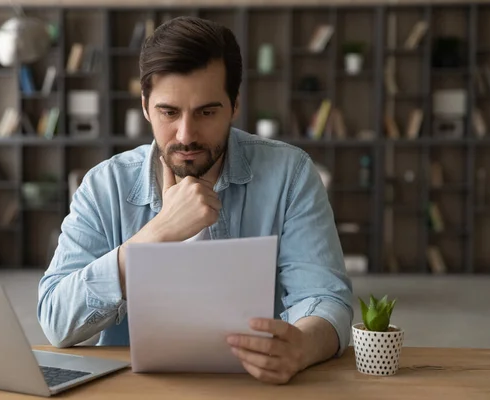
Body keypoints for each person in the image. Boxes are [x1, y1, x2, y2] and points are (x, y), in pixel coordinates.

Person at [38, 16, 353, 385]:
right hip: (136, 389)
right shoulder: (104, 184)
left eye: (206, 112)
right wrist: (155, 235)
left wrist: (301, 346)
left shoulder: (291, 173)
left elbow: (327, 300)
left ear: (234, 105)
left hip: (257, 386)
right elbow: (57, 323)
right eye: (169, 112)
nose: (186, 135)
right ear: (144, 106)